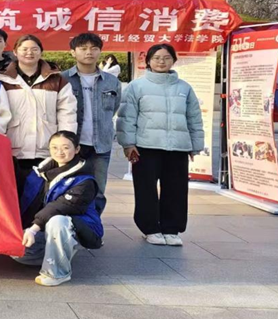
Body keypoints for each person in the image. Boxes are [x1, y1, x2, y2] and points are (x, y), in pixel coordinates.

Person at [117, 43, 204, 247]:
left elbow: (194, 118)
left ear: (174, 60)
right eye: (156, 58)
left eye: (166, 58)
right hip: (145, 147)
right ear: (148, 61)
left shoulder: (184, 88)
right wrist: (128, 144)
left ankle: (171, 229)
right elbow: (127, 118)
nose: (161, 62)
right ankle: (150, 229)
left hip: (177, 148)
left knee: (176, 189)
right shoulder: (137, 86)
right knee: (145, 189)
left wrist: (195, 145)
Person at [13, 131, 104, 286]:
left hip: (80, 229)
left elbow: (59, 207)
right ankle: (56, 252)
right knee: (17, 252)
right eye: (54, 147)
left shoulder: (84, 181)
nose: (59, 152)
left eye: (65, 147)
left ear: (77, 149)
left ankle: (58, 272)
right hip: (43, 228)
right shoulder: (40, 172)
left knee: (58, 221)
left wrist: (33, 229)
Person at [0, 35, 77, 180]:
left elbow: (67, 113)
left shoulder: (57, 80)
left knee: (43, 191)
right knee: (15, 191)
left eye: (34, 49)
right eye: (24, 49)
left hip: (46, 150)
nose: (29, 53)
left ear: (41, 52)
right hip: (12, 150)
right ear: (15, 52)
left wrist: (66, 142)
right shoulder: (1, 80)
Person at [61, 33, 121, 214]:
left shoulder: (111, 81)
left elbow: (114, 108)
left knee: (98, 191)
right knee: (68, 189)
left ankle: (93, 226)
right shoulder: (63, 79)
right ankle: (71, 225)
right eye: (83, 48)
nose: (89, 52)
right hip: (71, 144)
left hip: (100, 146)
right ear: (73, 52)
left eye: (94, 48)